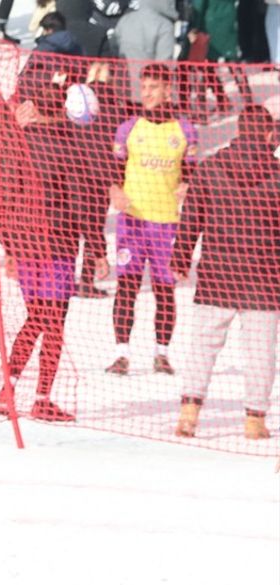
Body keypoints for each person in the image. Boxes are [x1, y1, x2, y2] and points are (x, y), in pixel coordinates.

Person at [171, 104, 279, 440]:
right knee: (260, 351)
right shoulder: (277, 173)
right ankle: (254, 420)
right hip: (265, 278)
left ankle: (189, 414)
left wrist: (180, 257)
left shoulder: (210, 167)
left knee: (203, 346)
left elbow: (191, 217)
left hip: (218, 274)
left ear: (238, 130)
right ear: (268, 133)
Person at [0, 81, 87, 422]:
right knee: (52, 321)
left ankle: (9, 389)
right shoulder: (68, 146)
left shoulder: (16, 145)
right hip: (57, 245)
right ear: (61, 108)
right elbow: (80, 201)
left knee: (37, 317)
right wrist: (96, 250)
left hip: (25, 245)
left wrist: (10, 248)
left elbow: (2, 198)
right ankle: (42, 398)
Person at [106, 63, 197, 376]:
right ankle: (121, 355)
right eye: (143, 88)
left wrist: (188, 184)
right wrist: (115, 190)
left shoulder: (184, 129)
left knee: (164, 290)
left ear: (167, 89)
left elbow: (193, 172)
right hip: (132, 221)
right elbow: (113, 171)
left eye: (153, 88)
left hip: (166, 223)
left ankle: (162, 354)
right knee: (127, 288)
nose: (147, 94)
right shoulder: (128, 127)